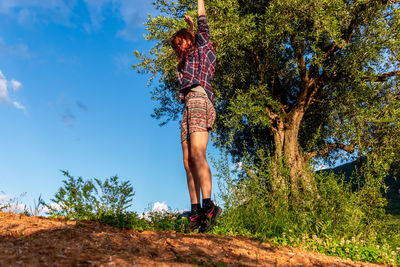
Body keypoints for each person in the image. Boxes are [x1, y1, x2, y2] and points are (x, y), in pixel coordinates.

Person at [169, 0, 221, 232]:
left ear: (192, 41)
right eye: (176, 46)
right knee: (187, 161)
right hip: (188, 105)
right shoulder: (183, 65)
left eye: (181, 43)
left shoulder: (202, 49)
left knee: (199, 153)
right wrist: (187, 27)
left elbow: (202, 21)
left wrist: (198, 5)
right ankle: (196, 212)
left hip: (201, 98)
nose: (178, 48)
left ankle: (210, 206)